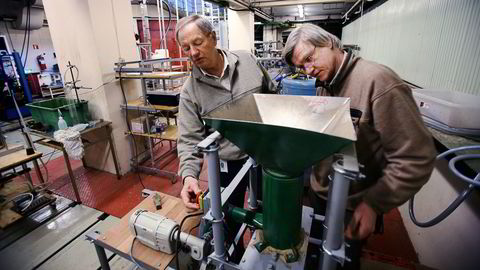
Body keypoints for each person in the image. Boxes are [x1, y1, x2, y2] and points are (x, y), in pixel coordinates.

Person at [282, 24, 436, 268]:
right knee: (316, 258)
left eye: (310, 59)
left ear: (330, 43)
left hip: (351, 204)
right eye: (301, 66)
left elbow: (416, 158)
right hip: (321, 193)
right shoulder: (325, 81)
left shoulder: (378, 82)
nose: (308, 70)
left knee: (341, 262)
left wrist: (375, 203)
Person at [175, 14, 273, 259]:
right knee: (229, 217)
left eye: (197, 42)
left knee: (268, 209)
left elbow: (273, 96)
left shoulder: (248, 61)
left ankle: (270, 251)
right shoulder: (190, 91)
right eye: (186, 48)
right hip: (227, 162)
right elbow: (188, 138)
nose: (193, 52)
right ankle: (236, 259)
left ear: (213, 37)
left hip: (264, 154)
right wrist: (188, 175)